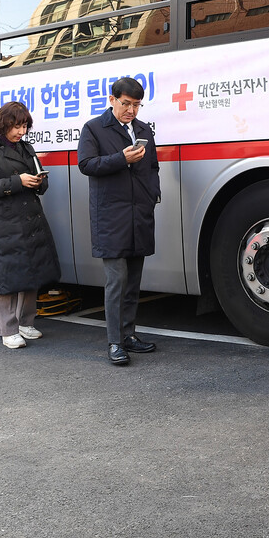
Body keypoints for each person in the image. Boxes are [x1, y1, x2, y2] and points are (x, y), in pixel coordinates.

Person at [77, 77, 161, 365]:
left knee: (134, 281)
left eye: (136, 105)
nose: (131, 110)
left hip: (139, 213)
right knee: (117, 280)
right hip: (111, 216)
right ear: (112, 100)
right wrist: (121, 158)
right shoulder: (94, 128)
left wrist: (153, 195)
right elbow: (86, 164)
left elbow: (152, 166)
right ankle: (115, 342)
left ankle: (129, 334)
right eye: (126, 104)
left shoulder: (143, 129)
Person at [0, 101, 60, 349]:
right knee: (7, 277)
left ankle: (26, 322)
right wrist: (18, 181)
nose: (21, 131)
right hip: (4, 222)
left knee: (32, 271)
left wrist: (40, 182)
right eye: (17, 126)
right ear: (4, 124)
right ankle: (8, 329)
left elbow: (39, 180)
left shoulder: (27, 148)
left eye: (24, 126)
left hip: (31, 217)